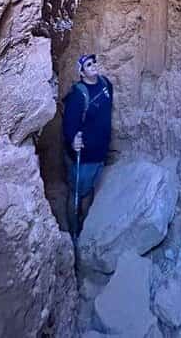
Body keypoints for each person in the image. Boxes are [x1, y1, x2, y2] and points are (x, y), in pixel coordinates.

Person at [62, 53, 113, 240]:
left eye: (94, 62)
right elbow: (68, 124)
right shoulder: (78, 94)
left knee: (90, 189)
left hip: (100, 153)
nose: (93, 65)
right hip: (83, 157)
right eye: (88, 64)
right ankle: (73, 231)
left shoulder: (106, 84)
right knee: (77, 193)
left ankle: (85, 228)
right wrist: (72, 139)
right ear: (82, 73)